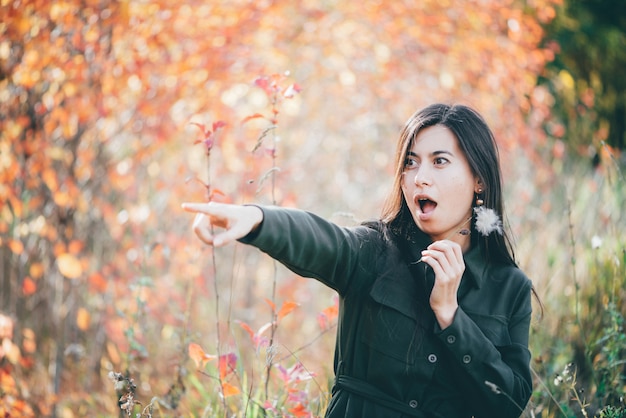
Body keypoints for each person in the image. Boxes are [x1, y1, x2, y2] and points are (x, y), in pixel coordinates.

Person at [183, 103, 534, 418]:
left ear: (479, 180)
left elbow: (508, 404)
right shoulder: (376, 250)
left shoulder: (510, 287)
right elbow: (323, 240)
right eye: (410, 163)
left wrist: (451, 317)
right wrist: (257, 219)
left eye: (439, 161)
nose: (419, 177)